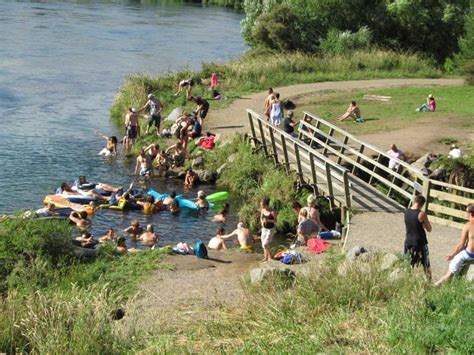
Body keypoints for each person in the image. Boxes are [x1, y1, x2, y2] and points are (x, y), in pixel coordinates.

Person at [435, 204, 474, 285]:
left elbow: (461, 244)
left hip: (468, 254)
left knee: (449, 273)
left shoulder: (468, 226)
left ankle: (436, 285)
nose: (465, 213)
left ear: (470, 213)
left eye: (466, 211)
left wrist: (452, 255)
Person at [404, 195, 433, 279]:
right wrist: (424, 223)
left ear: (414, 201)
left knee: (408, 264)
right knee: (426, 264)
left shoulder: (406, 211)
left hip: (408, 241)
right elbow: (429, 229)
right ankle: (429, 281)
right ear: (422, 204)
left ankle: (406, 281)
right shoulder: (421, 214)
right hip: (419, 242)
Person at [260, 197, 277, 262]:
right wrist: (262, 223)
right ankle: (266, 257)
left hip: (270, 229)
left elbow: (275, 221)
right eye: (261, 205)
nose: (261, 206)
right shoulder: (262, 210)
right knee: (263, 244)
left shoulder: (272, 211)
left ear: (266, 204)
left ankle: (270, 255)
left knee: (265, 244)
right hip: (264, 229)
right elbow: (261, 218)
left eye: (262, 205)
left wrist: (268, 220)